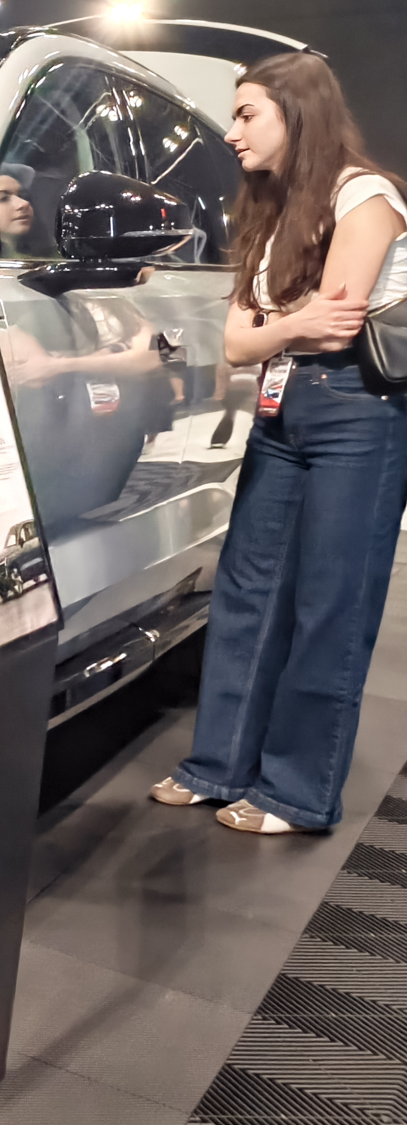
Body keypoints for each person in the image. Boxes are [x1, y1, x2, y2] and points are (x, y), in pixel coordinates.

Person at [151, 52, 407, 833]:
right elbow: (236, 342)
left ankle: (297, 792)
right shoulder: (268, 209)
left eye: (247, 114)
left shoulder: (366, 196)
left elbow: (336, 321)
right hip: (283, 407)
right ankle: (217, 766)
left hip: (359, 409)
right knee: (246, 590)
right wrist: (282, 328)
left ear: (298, 115)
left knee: (331, 603)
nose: (231, 132)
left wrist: (276, 328)